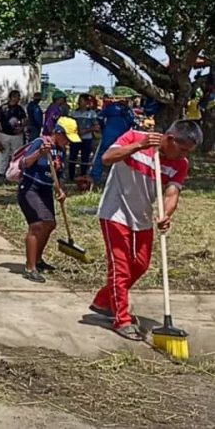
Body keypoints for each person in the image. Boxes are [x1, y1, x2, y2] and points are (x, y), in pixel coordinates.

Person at [90, 121, 201, 340]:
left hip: (142, 217)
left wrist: (165, 215)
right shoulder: (134, 137)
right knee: (120, 268)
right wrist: (138, 146)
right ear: (170, 139)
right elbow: (107, 159)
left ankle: (104, 300)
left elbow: (171, 194)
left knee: (140, 265)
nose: (184, 156)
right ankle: (121, 319)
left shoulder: (180, 164)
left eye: (188, 152)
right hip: (115, 212)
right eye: (183, 149)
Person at [17, 117, 82, 283]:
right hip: (31, 187)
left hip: (46, 189)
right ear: (58, 132)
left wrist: (60, 190)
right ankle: (30, 267)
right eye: (66, 138)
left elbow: (59, 174)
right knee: (37, 225)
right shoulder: (40, 143)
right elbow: (24, 163)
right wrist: (40, 153)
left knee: (50, 224)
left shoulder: (61, 151)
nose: (68, 142)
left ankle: (38, 260)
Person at [91, 98, 134, 185]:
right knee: (118, 156)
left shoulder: (112, 107)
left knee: (103, 155)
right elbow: (132, 122)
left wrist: (103, 127)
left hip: (111, 135)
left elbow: (100, 117)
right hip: (121, 137)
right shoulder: (128, 110)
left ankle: (96, 177)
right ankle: (111, 178)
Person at [0, 90, 27, 180]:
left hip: (16, 136)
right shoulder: (3, 108)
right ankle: (1, 172)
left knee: (17, 154)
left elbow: (25, 120)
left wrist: (22, 127)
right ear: (11, 97)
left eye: (19, 97)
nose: (18, 99)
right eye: (16, 97)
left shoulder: (20, 109)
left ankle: (15, 172)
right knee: (4, 153)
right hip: (4, 134)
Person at [68, 93, 100, 181]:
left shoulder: (92, 113)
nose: (79, 102)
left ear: (86, 102)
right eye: (79, 100)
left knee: (85, 158)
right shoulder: (74, 113)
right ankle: (71, 176)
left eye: (81, 101)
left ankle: (83, 176)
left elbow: (96, 127)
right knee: (72, 157)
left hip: (87, 139)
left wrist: (86, 131)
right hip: (75, 139)